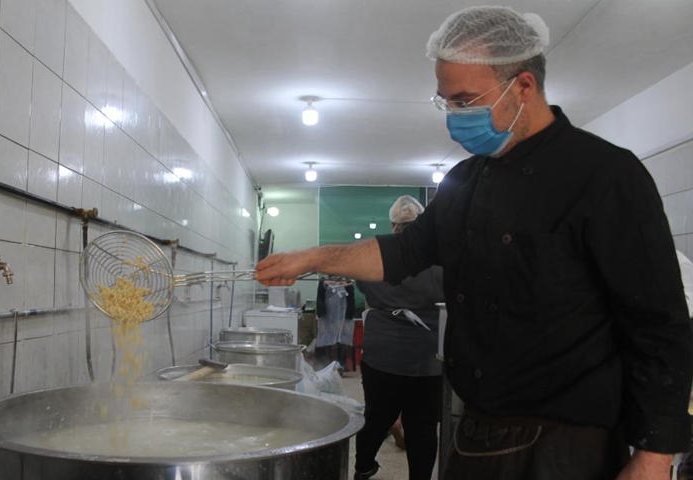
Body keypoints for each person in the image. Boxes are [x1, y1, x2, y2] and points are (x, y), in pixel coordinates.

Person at [255, 6, 693, 480]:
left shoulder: (605, 175)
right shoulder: (464, 181)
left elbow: (659, 324)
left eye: (465, 101)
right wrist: (313, 258)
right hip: (476, 428)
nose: (454, 118)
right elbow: (401, 253)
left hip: (567, 443)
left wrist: (654, 454)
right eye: (446, 103)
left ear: (523, 86)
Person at [354, 195, 444, 480]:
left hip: (382, 354)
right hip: (428, 357)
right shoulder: (440, 255)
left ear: (393, 225)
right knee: (423, 425)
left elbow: (364, 287)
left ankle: (363, 468)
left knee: (376, 417)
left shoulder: (376, 254)